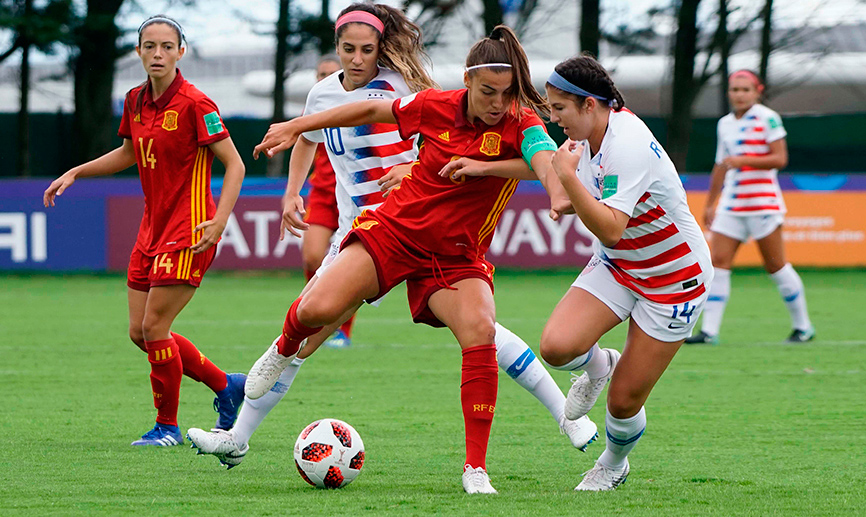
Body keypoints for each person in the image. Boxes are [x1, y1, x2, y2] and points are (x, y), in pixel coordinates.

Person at [186, 13, 596, 490]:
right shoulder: (418, 101)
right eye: (488, 92)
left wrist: (552, 188)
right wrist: (295, 137)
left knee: (483, 331)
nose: (498, 103)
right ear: (469, 83)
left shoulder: (489, 111)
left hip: (452, 253)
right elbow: (354, 116)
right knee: (313, 315)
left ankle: (492, 458)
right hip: (387, 230)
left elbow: (541, 158)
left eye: (507, 93)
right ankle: (247, 418)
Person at [42, 15, 247, 447]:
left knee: (156, 328)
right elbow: (129, 152)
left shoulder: (196, 103)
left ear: (180, 52)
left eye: (167, 46)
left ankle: (167, 428)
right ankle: (227, 386)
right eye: (149, 46)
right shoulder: (135, 100)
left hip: (190, 230)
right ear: (138, 51)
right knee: (141, 333)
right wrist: (78, 171)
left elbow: (235, 164)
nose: (158, 53)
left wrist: (221, 220)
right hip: (151, 230)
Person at [539, 54, 713, 491]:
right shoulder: (589, 136)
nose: (553, 117)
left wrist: (569, 183)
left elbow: (613, 229)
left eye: (559, 108)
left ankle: (613, 465)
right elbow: (564, 182)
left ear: (589, 105)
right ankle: (600, 366)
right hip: (619, 266)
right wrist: (483, 170)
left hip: (674, 279)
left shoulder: (627, 142)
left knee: (623, 403)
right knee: (557, 347)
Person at [685, 70, 814, 345]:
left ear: (758, 91)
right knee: (717, 264)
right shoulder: (725, 124)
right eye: (734, 90)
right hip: (732, 205)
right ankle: (709, 332)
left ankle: (803, 327)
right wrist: (711, 204)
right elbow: (721, 165)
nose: (739, 95)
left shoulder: (768, 117)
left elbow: (780, 158)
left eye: (745, 89)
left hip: (763, 203)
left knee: (776, 266)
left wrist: (743, 159)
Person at [300, 54, 356, 348]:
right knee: (312, 256)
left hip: (353, 193)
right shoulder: (316, 105)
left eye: (331, 73)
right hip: (323, 191)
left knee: (352, 264)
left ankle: (342, 329)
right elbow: (305, 144)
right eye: (320, 74)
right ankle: (319, 313)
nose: (325, 79)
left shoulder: (363, 105)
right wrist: (292, 191)